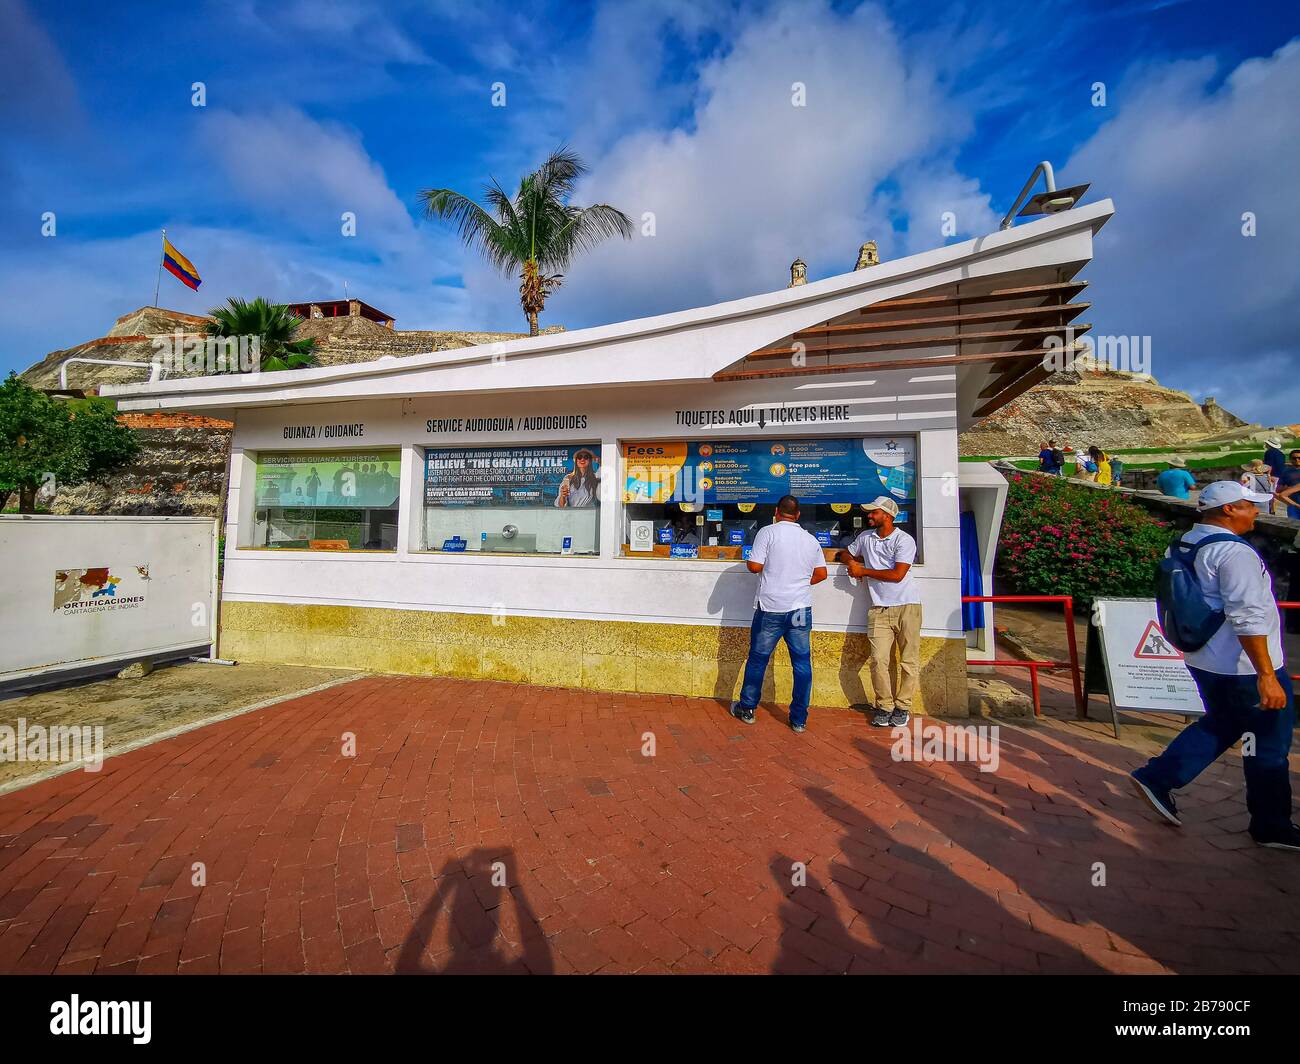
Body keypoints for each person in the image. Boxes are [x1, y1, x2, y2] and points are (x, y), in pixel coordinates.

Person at [1131, 481, 1299, 851]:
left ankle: (1158, 777)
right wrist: (1268, 675)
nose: (1257, 511)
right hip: (1245, 667)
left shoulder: (1185, 542)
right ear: (1228, 511)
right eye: (1249, 506)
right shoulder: (1235, 554)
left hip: (1206, 659)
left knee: (1225, 722)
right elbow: (1248, 616)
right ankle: (1271, 825)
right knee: (1269, 742)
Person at [730, 495, 827, 734]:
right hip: (800, 611)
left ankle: (748, 709)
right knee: (802, 664)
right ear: (798, 514)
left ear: (776, 511)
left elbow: (754, 566)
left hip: (771, 608)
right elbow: (822, 573)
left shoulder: (768, 532)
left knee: (758, 660)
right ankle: (799, 719)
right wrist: (799, 584)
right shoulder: (809, 539)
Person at [837, 496, 922, 728]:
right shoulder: (866, 537)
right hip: (878, 608)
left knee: (908, 661)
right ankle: (884, 706)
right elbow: (846, 553)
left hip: (907, 607)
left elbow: (897, 575)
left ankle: (903, 706)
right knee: (878, 660)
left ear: (887, 515)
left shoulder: (904, 540)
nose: (869, 516)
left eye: (874, 512)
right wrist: (851, 563)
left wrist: (862, 570)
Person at [1274, 448, 1300, 519]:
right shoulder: (1286, 472)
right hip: (1292, 504)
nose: (1297, 460)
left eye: (1299, 458)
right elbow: (1278, 488)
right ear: (1290, 459)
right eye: (1294, 458)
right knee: (1293, 526)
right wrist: (1289, 489)